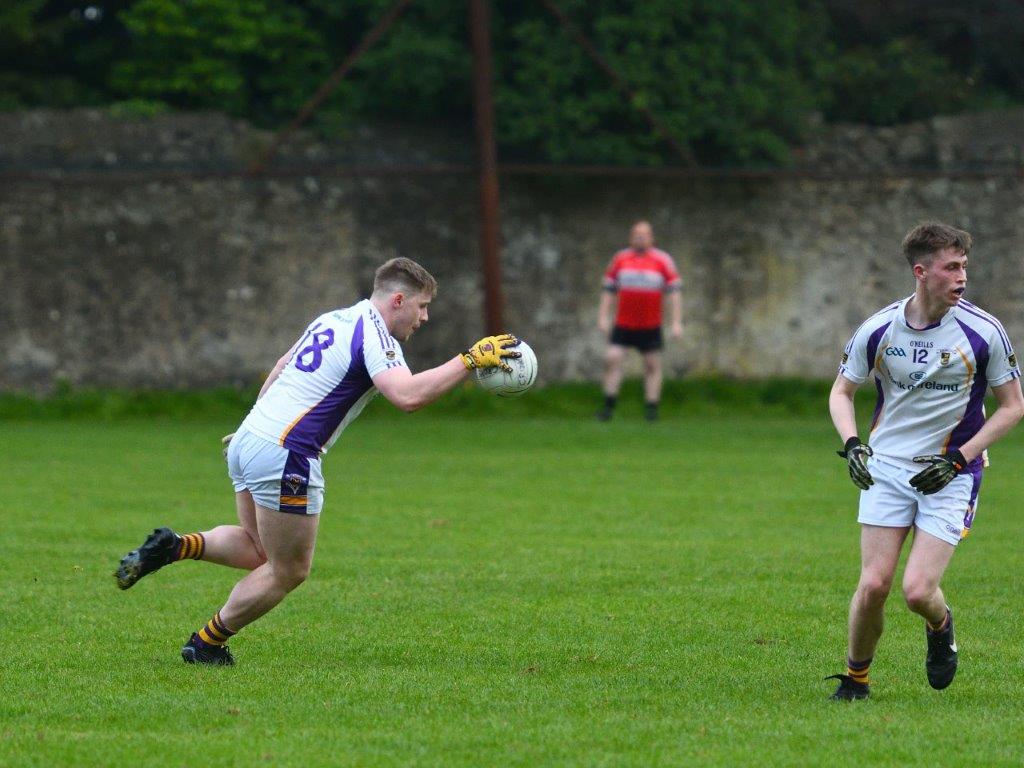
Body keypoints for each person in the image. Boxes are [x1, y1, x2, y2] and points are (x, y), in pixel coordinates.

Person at [114, 257, 520, 665]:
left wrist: (252, 425)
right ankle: (206, 644)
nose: (425, 317)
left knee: (259, 551)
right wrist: (468, 360)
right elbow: (408, 397)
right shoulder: (376, 337)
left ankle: (173, 547)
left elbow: (281, 366)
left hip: (248, 438)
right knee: (289, 570)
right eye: (422, 306)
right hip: (287, 453)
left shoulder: (335, 318)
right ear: (398, 300)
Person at [827, 222, 1024, 700]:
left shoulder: (983, 331)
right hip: (887, 468)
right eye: (951, 267)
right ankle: (856, 681)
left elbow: (1014, 405)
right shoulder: (878, 328)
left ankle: (941, 625)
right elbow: (842, 391)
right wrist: (854, 443)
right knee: (873, 585)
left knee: (917, 591)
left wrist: (961, 459)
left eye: (964, 267)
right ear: (921, 271)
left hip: (952, 472)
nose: (962, 277)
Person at [596, 220, 683, 421]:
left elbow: (674, 293)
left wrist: (676, 322)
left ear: (652, 237)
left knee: (652, 365)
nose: (640, 237)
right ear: (631, 237)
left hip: (650, 324)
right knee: (613, 358)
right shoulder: (620, 259)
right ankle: (608, 407)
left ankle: (651, 410)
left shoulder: (662, 260)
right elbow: (608, 290)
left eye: (644, 234)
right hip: (624, 323)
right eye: (636, 234)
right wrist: (603, 317)